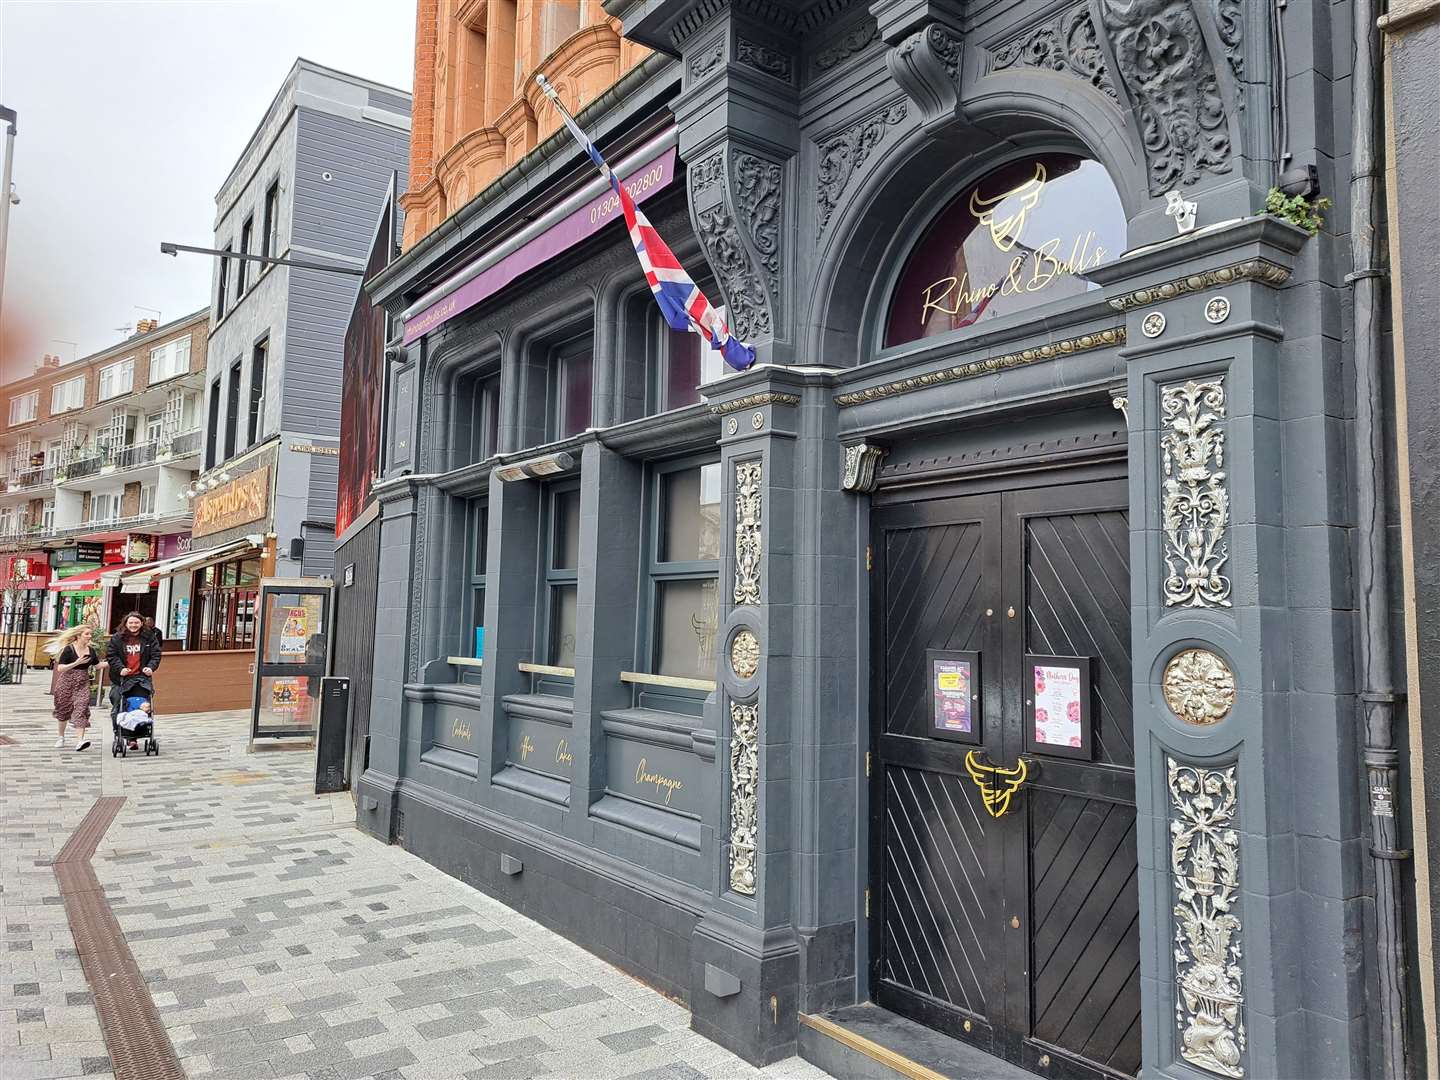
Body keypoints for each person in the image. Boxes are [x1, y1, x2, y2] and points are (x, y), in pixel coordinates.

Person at [107, 612, 162, 749]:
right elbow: (111, 655)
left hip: (141, 678)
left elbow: (156, 655)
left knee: (140, 706)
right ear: (125, 623)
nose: (133, 625)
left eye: (136, 622)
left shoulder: (149, 637)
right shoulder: (117, 638)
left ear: (141, 623)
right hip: (121, 678)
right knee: (119, 706)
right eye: (130, 622)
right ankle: (121, 734)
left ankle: (134, 738)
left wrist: (150, 667)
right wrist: (120, 668)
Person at [47, 625, 98, 751]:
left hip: (82, 683)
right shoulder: (68, 650)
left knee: (81, 708)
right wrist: (77, 663)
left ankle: (80, 741)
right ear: (78, 636)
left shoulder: (91, 650)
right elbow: (60, 668)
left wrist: (114, 662)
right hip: (66, 682)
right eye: (87, 634)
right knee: (63, 710)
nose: (90, 636)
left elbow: (97, 665)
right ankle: (61, 737)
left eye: (90, 634)